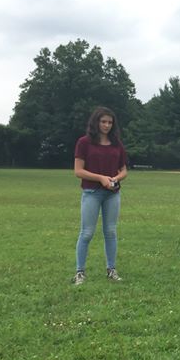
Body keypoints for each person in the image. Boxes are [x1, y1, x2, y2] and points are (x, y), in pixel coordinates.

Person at [72, 106, 128, 285]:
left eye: (110, 122)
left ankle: (111, 269)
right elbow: (78, 171)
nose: (106, 125)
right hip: (91, 193)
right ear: (96, 122)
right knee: (87, 233)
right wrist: (100, 178)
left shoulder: (117, 144)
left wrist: (115, 179)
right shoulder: (84, 142)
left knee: (110, 231)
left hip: (112, 194)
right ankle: (80, 272)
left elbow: (124, 170)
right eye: (103, 121)